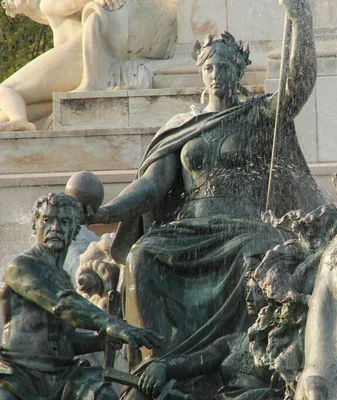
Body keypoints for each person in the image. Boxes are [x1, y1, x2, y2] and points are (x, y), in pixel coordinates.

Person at [85, 0, 324, 362]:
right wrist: (106, 211)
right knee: (142, 257)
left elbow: (297, 88)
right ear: (201, 73)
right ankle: (156, 361)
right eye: (209, 67)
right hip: (192, 227)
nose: (216, 74)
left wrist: (301, 20)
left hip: (243, 224)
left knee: (259, 255)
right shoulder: (184, 128)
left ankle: (244, 361)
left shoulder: (257, 116)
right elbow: (152, 185)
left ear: (239, 71)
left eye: (224, 66)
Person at [0, 193, 163, 399]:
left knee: (104, 396)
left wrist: (100, 341)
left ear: (76, 230)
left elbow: (64, 340)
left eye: (65, 221)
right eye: (47, 220)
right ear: (35, 226)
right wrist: (111, 323)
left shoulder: (64, 278)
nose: (55, 227)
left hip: (63, 375)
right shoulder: (21, 266)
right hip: (21, 375)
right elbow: (62, 304)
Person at [0, 0, 176, 131]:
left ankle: (19, 121)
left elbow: (71, 3)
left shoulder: (47, 4)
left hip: (81, 58)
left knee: (5, 89)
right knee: (13, 110)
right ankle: (18, 119)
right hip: (82, 61)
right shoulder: (45, 12)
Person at [122, 270, 280, 400]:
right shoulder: (232, 342)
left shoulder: (286, 342)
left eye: (258, 291)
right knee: (141, 392)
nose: (249, 298)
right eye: (248, 290)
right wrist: (163, 366)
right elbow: (193, 362)